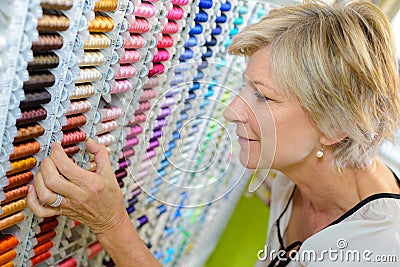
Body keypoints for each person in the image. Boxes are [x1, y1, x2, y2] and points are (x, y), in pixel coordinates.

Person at [27, 0, 400, 266]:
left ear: (334, 125)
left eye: (264, 97)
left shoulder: (376, 251)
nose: (231, 110)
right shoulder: (302, 177)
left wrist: (111, 223)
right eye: (246, 86)